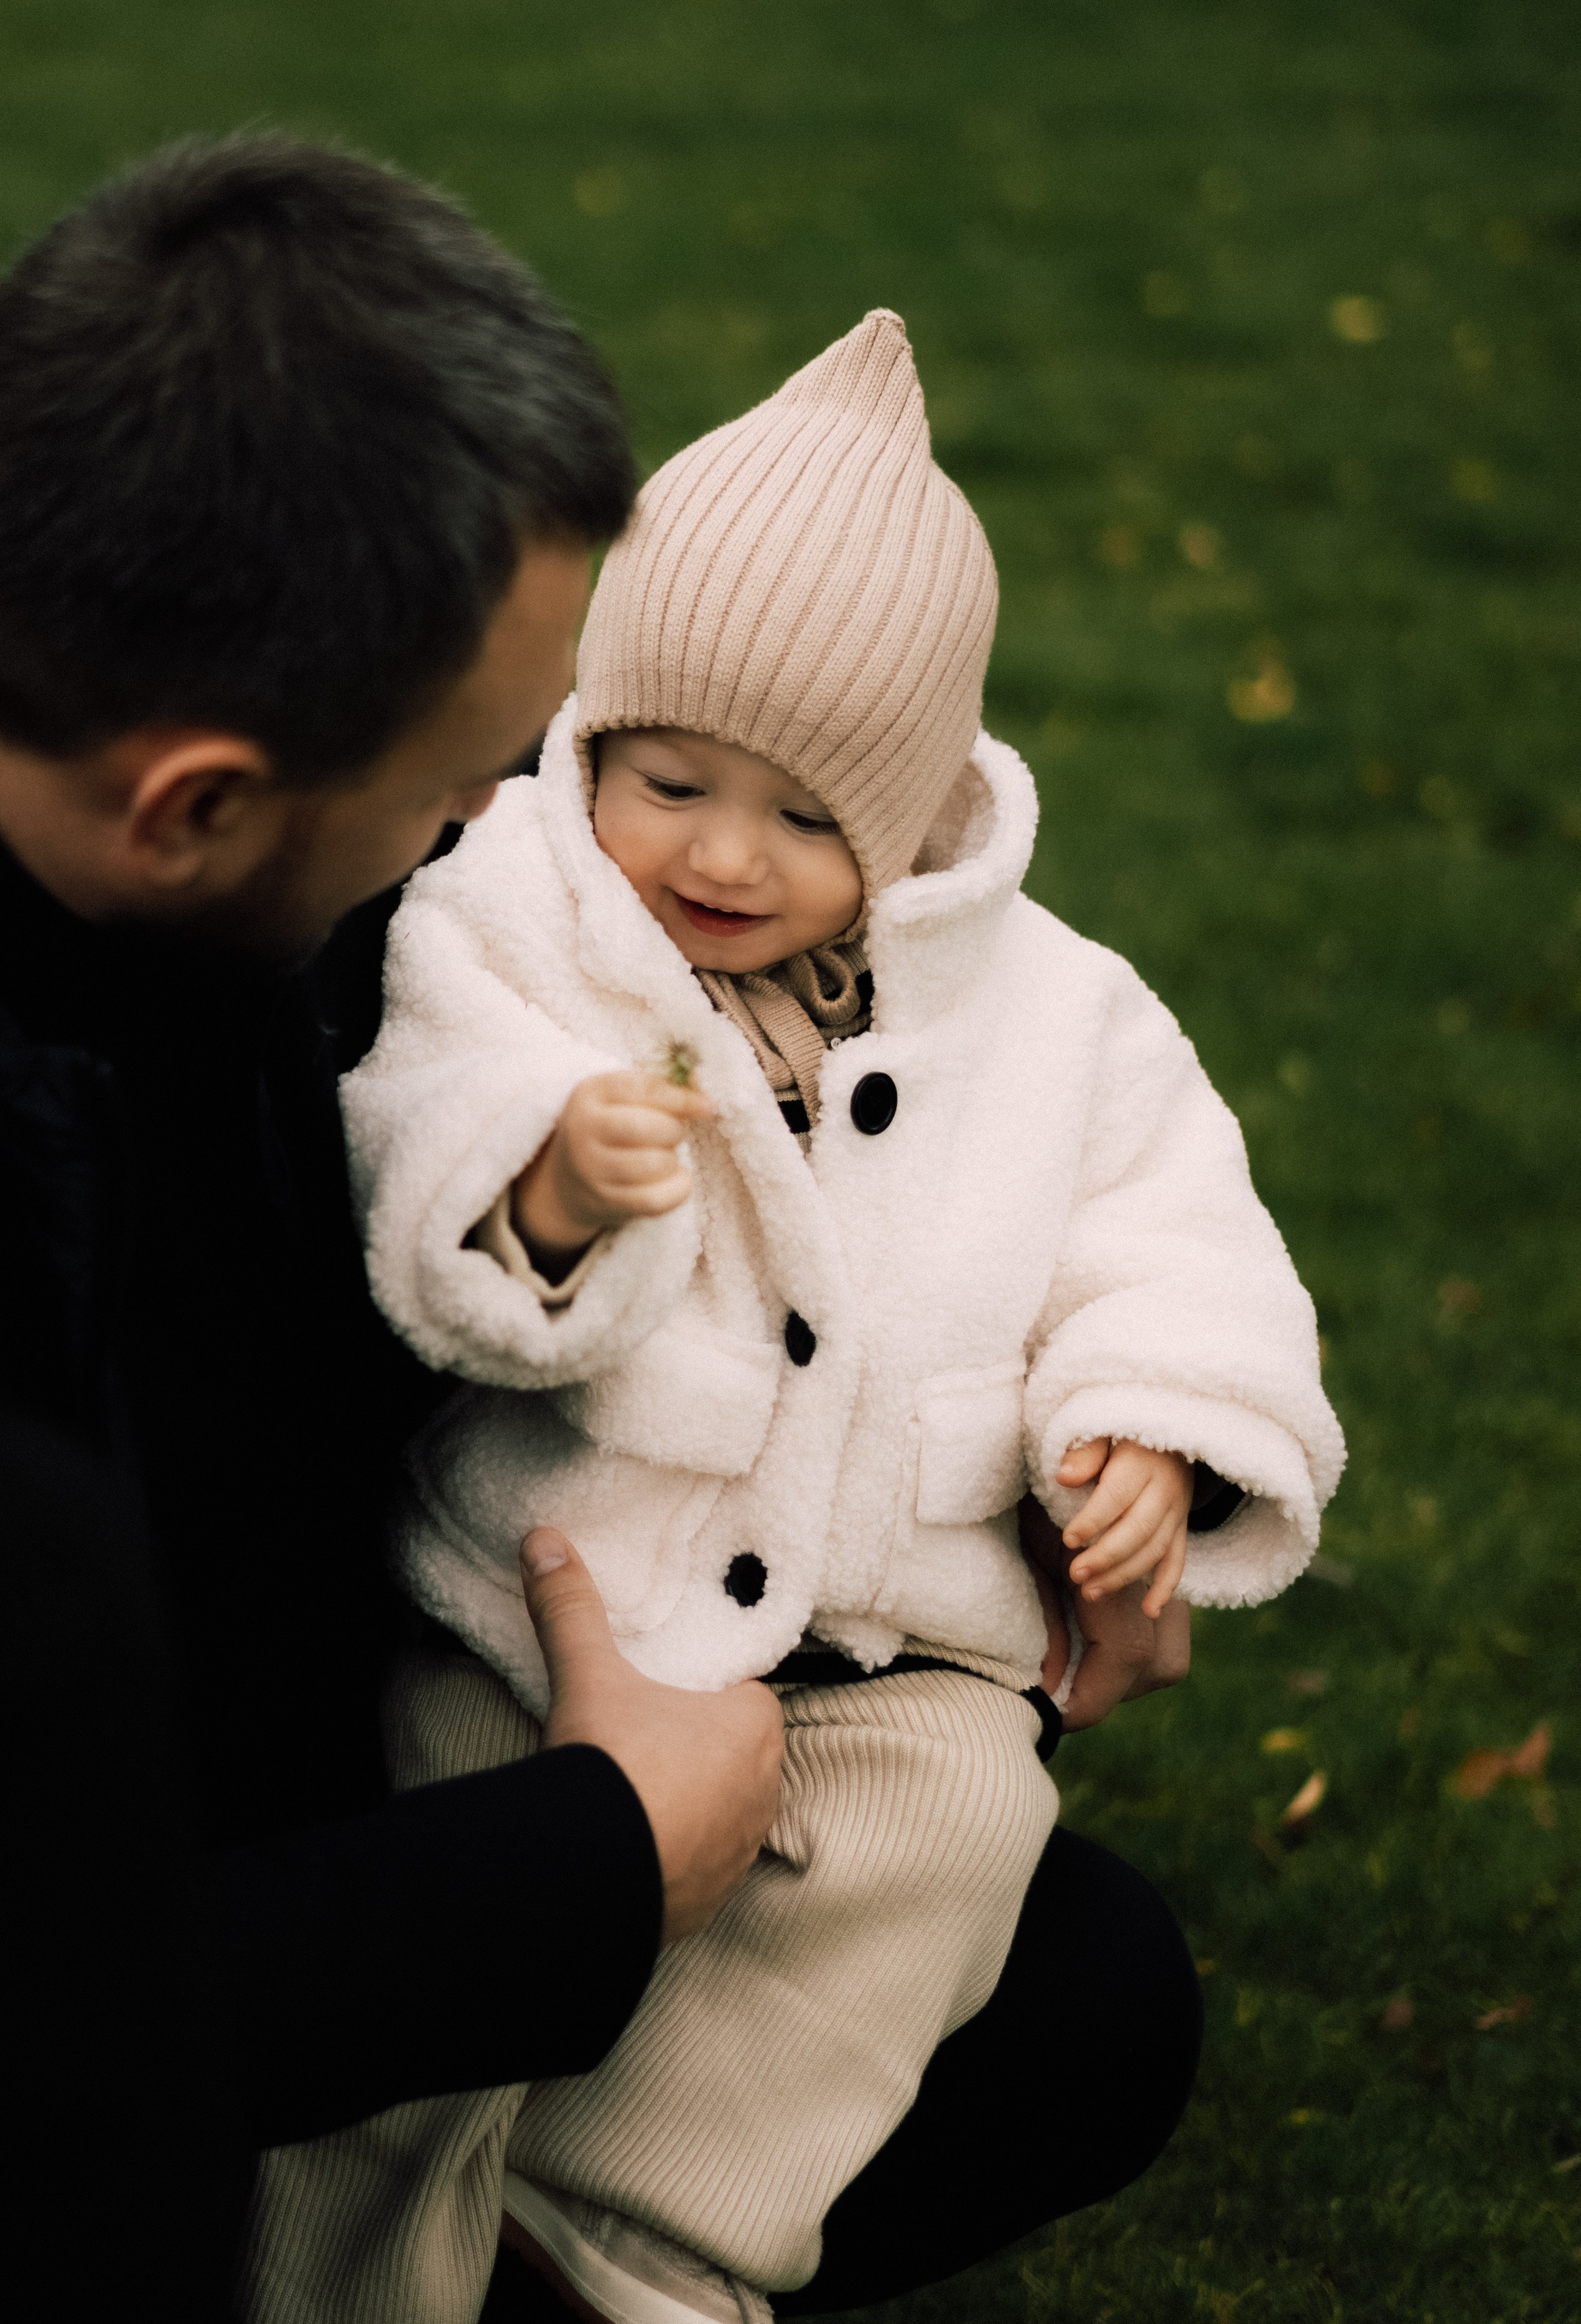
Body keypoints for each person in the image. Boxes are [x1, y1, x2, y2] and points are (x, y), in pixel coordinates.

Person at [251, 312, 1345, 2324]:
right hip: (542, 1587)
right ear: (598, 736)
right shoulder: (516, 904)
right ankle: (346, 2268)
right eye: (672, 780)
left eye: (810, 817)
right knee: (437, 1887)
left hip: (889, 1637)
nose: (725, 859)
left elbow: (1176, 1235)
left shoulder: (1055, 1008)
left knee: (952, 1839)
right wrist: (542, 1186)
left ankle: (628, 2252)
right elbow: (420, 1104)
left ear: (924, 813)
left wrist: (1145, 1435)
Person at [0, 132, 786, 2322]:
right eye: (468, 784)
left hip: (368, 1740)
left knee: (1083, 1995)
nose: (517, 831)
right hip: (154, 2019)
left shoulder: (280, 911)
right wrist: (586, 1864)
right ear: (199, 807)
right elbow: (45, 2008)